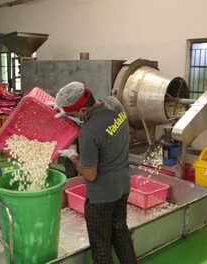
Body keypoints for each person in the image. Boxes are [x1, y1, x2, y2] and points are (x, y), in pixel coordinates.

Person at [53, 81, 137, 264]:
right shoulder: (114, 104)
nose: (75, 117)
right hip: (122, 185)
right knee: (120, 231)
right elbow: (97, 124)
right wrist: (70, 117)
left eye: (74, 114)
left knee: (101, 247)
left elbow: (90, 174)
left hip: (101, 197)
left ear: (83, 110)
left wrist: (73, 156)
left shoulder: (89, 133)